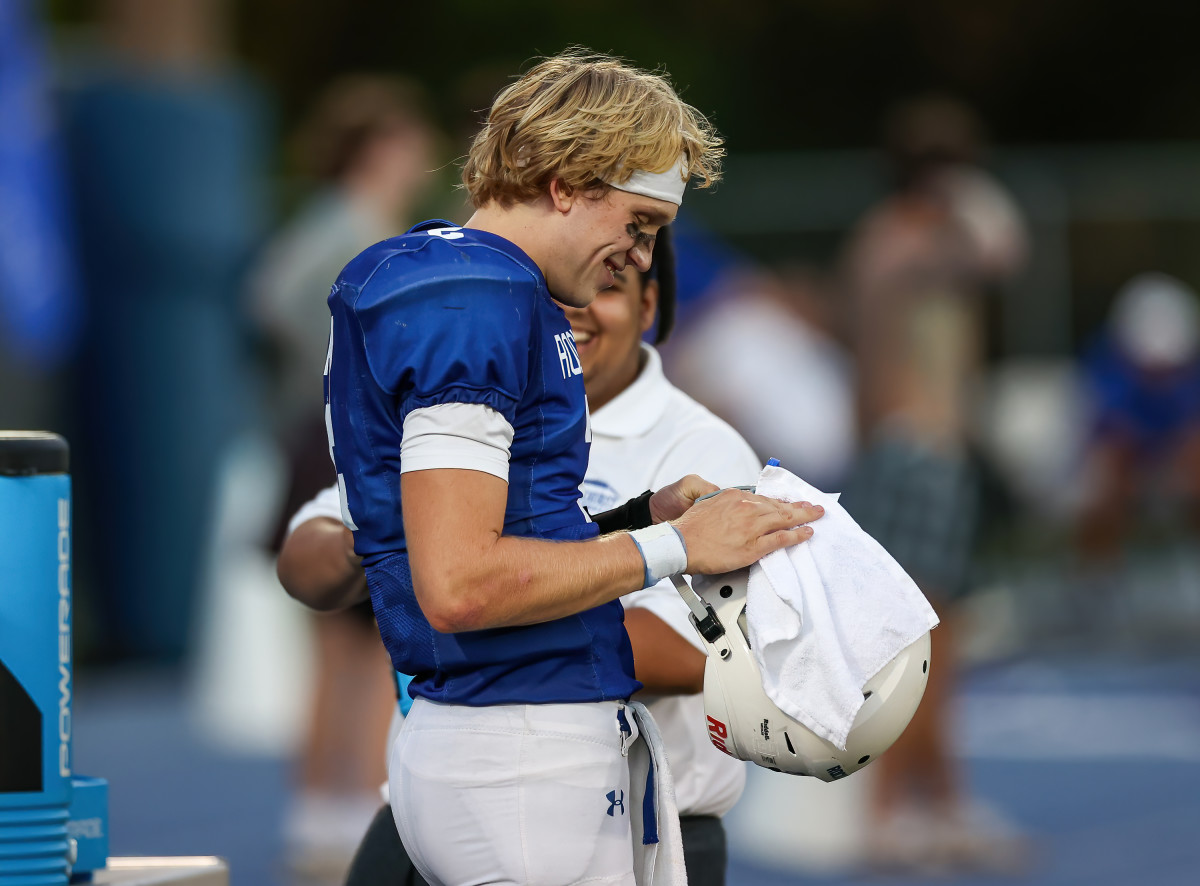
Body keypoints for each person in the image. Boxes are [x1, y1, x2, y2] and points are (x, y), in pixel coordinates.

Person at [320, 50, 821, 886]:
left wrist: (640, 517)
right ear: (566, 183)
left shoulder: (454, 275)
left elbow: (498, 527)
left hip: (489, 734)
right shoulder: (476, 301)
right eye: (638, 223)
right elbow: (461, 583)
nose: (638, 254)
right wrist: (679, 547)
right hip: (516, 747)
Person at [280, 227, 758, 886]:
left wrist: (484, 586)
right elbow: (303, 562)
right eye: (549, 295)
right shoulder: (464, 405)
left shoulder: (701, 448)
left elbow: (695, 652)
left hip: (637, 822)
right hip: (438, 795)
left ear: (650, 307)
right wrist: (403, 545)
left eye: (609, 288)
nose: (576, 311)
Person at [247, 74, 439, 879]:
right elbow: (276, 303)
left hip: (316, 442)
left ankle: (320, 815)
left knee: (339, 651)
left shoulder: (343, 223)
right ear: (380, 150)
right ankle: (355, 815)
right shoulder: (356, 228)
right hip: (344, 448)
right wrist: (342, 374)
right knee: (365, 647)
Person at [838, 94, 1029, 873]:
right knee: (922, 645)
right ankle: (890, 810)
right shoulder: (917, 242)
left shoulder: (882, 239)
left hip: (899, 450)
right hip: (922, 453)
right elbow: (1004, 248)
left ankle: (933, 802)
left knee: (926, 640)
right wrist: (968, 198)